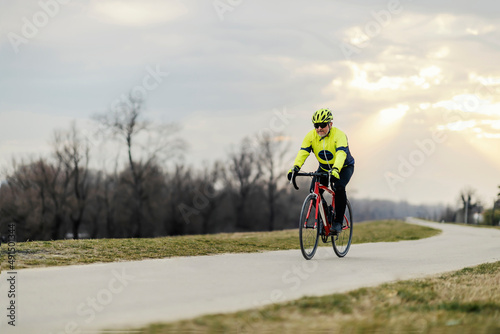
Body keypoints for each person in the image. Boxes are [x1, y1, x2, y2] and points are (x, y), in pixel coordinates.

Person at [287, 108, 355, 234]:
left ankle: (338, 221)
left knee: (339, 187)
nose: (319, 128)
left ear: (330, 124)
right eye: (316, 125)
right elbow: (303, 152)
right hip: (324, 168)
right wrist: (295, 168)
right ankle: (326, 215)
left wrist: (335, 169)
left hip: (344, 168)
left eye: (322, 125)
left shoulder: (339, 135)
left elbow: (341, 154)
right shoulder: (311, 136)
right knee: (314, 192)